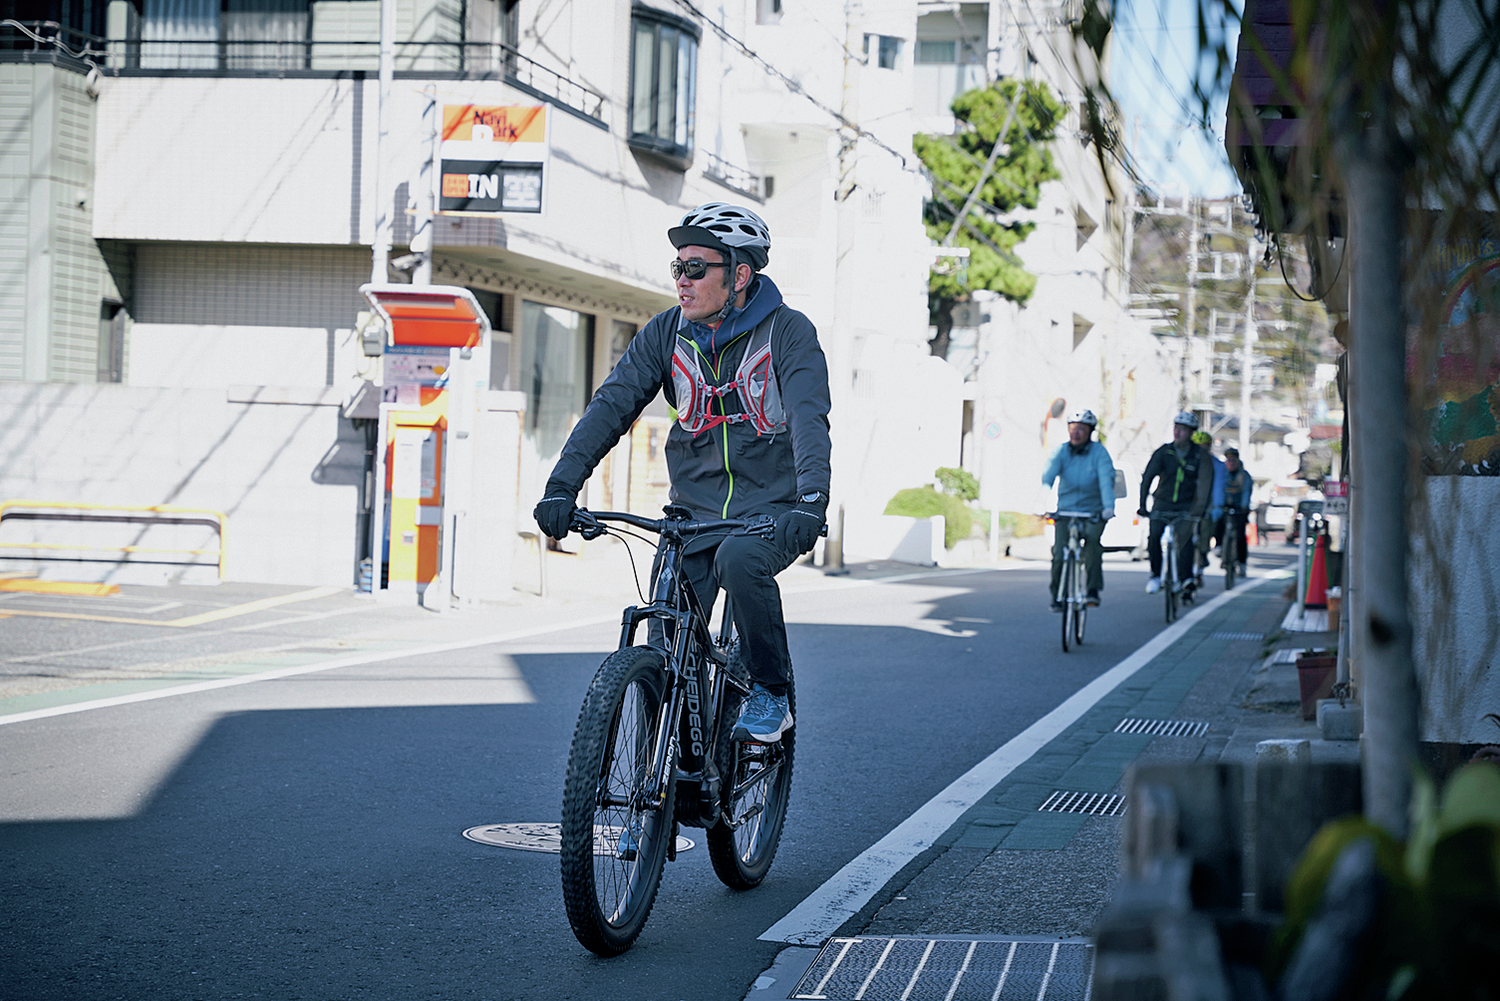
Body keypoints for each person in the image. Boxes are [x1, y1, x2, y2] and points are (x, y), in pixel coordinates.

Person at [532, 202, 830, 745]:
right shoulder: (666, 333)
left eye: (696, 268)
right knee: (668, 635)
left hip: (769, 513)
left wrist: (811, 500)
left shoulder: (789, 332)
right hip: (691, 512)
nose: (682, 280)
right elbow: (611, 407)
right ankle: (657, 789)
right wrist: (561, 486)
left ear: (739, 274)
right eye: (677, 267)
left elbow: (810, 419)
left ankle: (770, 691)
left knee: (741, 562)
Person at [1041, 409, 1114, 609]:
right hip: (1065, 510)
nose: (1076, 433)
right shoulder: (1061, 451)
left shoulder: (1099, 453)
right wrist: (1041, 503)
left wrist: (1108, 507)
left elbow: (1106, 482)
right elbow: (1048, 478)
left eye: (1081, 429)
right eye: (1073, 428)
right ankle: (1057, 595)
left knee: (1092, 545)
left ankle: (1092, 590)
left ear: (1090, 431)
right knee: (1058, 553)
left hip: (1093, 511)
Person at [1138, 411, 1213, 595]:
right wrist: (1142, 505)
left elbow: (1205, 484)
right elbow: (1148, 477)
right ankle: (1155, 575)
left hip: (1186, 504)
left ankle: (1186, 578)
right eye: (1176, 429)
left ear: (1191, 433)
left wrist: (1200, 509)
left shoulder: (1199, 455)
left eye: (1183, 430)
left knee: (1185, 537)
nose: (1178, 433)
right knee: (1154, 535)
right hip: (1162, 502)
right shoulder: (1164, 452)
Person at [1193, 430, 1226, 583]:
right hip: (1188, 505)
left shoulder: (1217, 465)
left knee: (1204, 535)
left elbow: (1218, 486)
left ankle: (1202, 558)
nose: (1201, 449)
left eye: (1204, 446)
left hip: (1208, 506)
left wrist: (1217, 506)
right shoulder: (1186, 461)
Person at [1219, 447, 1252, 572]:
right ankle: (1220, 547)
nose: (1231, 462)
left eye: (1233, 460)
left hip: (1239, 508)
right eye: (1228, 460)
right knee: (1218, 523)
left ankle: (1242, 563)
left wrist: (1244, 507)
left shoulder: (1243, 476)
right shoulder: (1223, 474)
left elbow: (1246, 492)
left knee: (1240, 535)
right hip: (1224, 506)